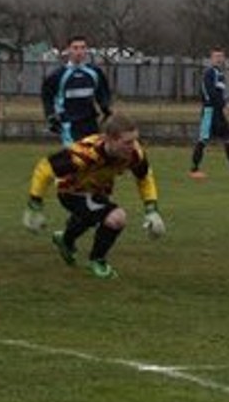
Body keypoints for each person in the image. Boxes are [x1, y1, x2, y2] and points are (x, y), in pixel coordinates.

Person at [23, 112, 166, 279]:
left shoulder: (134, 153)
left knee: (91, 216)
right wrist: (35, 205)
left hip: (96, 192)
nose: (133, 146)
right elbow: (45, 168)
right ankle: (97, 260)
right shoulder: (85, 153)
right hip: (71, 192)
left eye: (135, 140)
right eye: (127, 142)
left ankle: (65, 240)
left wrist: (151, 210)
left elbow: (144, 177)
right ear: (109, 139)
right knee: (116, 218)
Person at [189, 47, 229, 179]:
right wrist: (225, 105)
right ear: (211, 58)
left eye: (221, 56)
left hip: (218, 112)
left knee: (228, 138)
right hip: (209, 111)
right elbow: (210, 93)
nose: (219, 59)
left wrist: (223, 105)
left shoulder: (220, 74)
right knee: (203, 139)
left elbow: (219, 94)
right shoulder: (209, 73)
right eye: (216, 56)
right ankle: (194, 170)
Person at [40, 35, 112, 146]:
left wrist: (105, 108)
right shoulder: (58, 75)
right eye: (75, 48)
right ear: (68, 50)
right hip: (69, 124)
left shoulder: (94, 72)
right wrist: (51, 116)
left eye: (83, 48)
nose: (79, 52)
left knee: (92, 157)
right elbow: (47, 96)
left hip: (90, 122)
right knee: (75, 158)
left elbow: (102, 92)